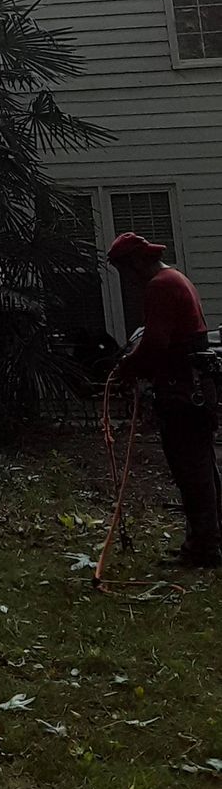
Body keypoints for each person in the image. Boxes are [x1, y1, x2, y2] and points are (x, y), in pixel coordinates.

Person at [107, 230, 221, 569]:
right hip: (197, 387)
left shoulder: (159, 286)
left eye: (126, 270)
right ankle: (208, 541)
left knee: (191, 471)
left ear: (138, 261)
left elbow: (156, 343)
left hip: (183, 389)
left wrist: (127, 368)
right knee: (202, 468)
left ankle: (203, 549)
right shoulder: (176, 279)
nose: (127, 280)